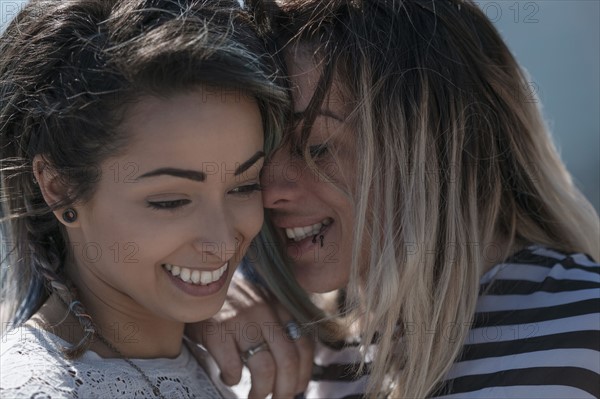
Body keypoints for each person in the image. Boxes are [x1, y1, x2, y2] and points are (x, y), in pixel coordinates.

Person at [190, 0, 600, 398]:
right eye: (260, 160)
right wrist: (189, 314)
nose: (271, 192)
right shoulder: (285, 355)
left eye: (317, 149)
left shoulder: (586, 322)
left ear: (439, 143)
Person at [0, 0, 287, 397]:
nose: (221, 242)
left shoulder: (231, 365)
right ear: (60, 188)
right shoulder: (38, 388)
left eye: (243, 186)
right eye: (171, 201)